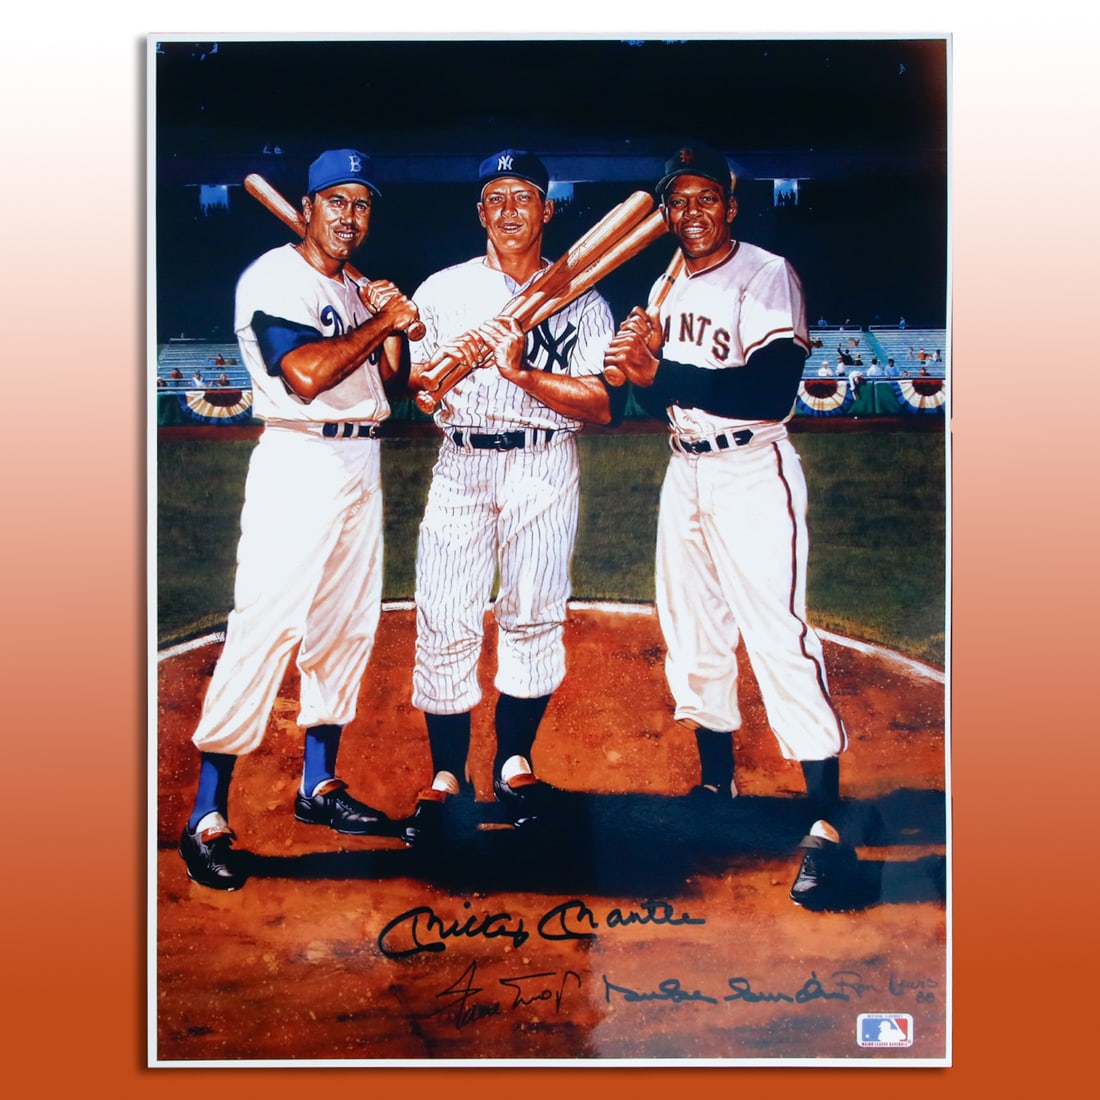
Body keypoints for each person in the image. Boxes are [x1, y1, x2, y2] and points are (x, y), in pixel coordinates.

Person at [603, 144, 852, 911]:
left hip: (751, 470)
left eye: (706, 197)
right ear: (667, 212)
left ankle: (826, 824)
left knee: (776, 635)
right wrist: (634, 369)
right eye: (678, 201)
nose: (693, 212)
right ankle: (717, 786)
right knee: (693, 633)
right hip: (687, 470)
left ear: (731, 205)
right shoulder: (665, 280)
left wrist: (661, 372)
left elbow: (774, 390)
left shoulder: (766, 273)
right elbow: (651, 403)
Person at [178, 149, 420, 891]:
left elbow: (398, 384)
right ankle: (206, 818)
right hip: (297, 460)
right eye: (336, 202)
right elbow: (308, 377)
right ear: (309, 207)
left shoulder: (351, 287)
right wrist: (383, 318)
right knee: (267, 627)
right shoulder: (274, 277)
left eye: (362, 205)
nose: (350, 217)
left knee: (344, 629)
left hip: (359, 463)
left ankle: (319, 787)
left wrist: (397, 327)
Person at [405, 149, 618, 843]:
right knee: (444, 613)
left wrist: (519, 373)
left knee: (533, 611)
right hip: (461, 462)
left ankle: (514, 762)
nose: (508, 210)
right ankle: (446, 776)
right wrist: (432, 380)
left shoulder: (583, 294)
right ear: (480, 213)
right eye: (494, 198)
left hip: (543, 464)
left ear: (548, 210)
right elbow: (417, 384)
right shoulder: (441, 290)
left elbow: (599, 405)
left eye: (522, 197)